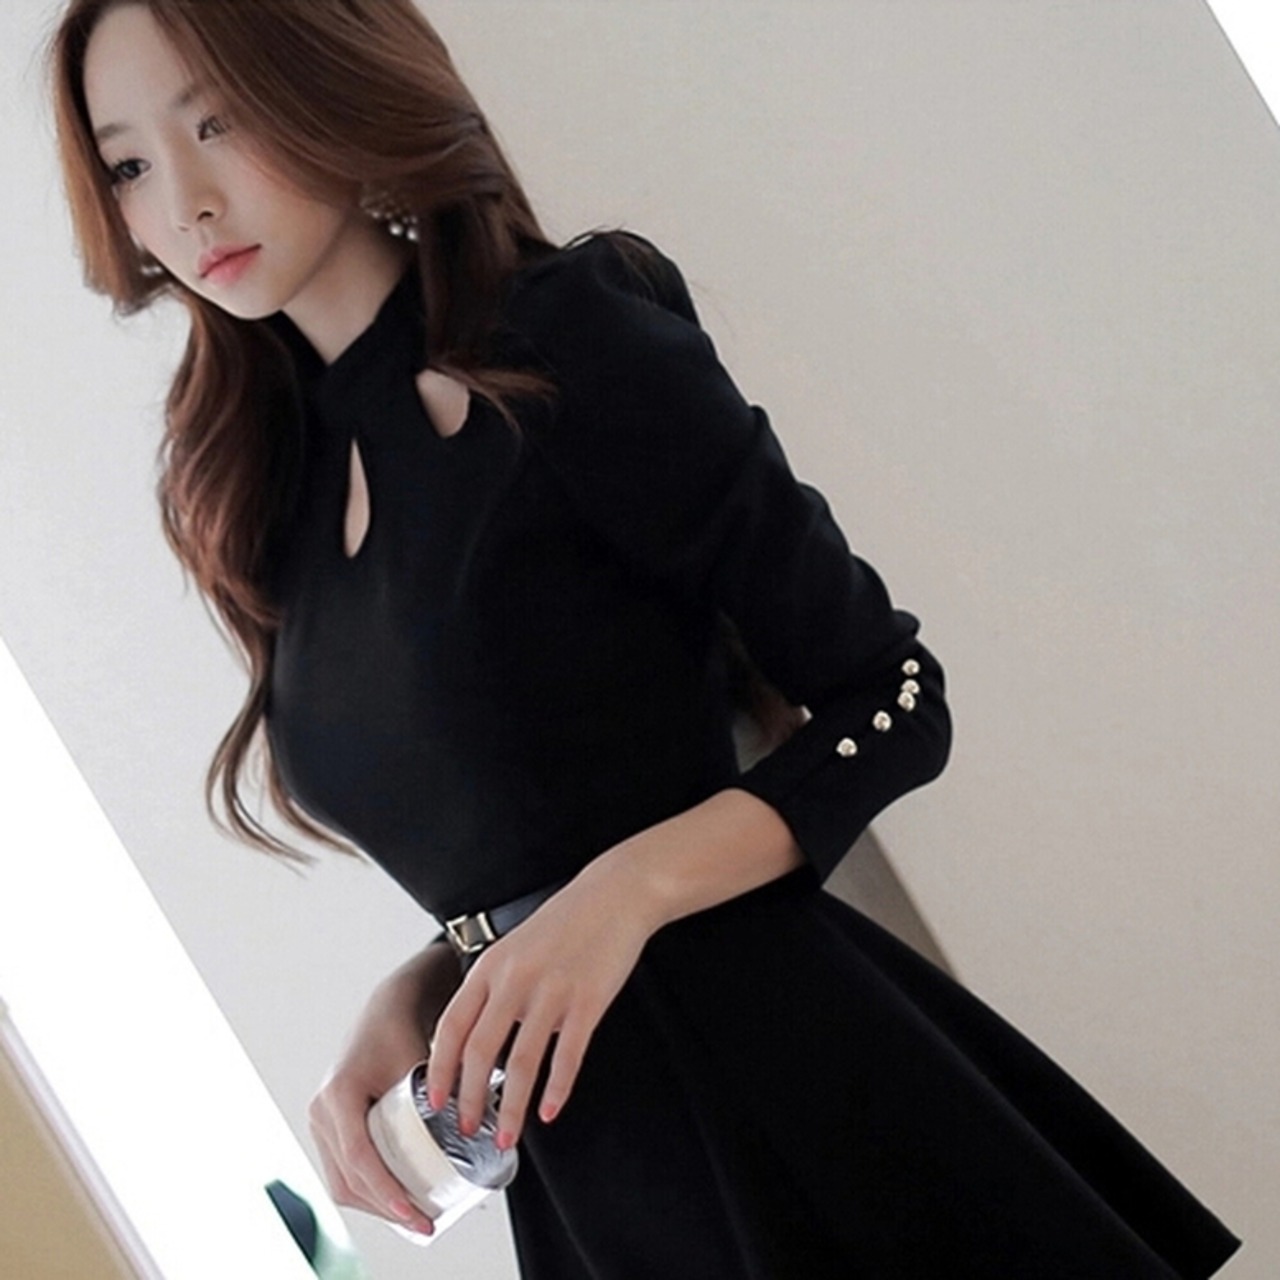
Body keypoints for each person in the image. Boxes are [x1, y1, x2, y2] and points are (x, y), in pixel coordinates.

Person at [49, 2, 1241, 1276]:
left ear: (327, 83)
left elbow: (892, 696)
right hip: (595, 1173)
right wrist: (427, 983)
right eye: (129, 164)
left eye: (216, 122)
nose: (186, 203)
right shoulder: (272, 498)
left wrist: (627, 894)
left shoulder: (560, 337)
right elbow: (530, 832)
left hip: (794, 1097)